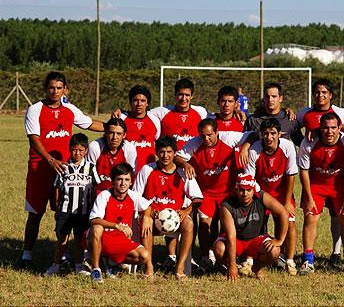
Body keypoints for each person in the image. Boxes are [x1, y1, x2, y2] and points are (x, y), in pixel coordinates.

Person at [20, 71, 104, 268]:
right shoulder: (35, 109)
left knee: (63, 210)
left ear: (66, 89)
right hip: (40, 168)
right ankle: (26, 254)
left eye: (59, 88)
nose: (55, 92)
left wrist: (113, 126)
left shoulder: (70, 109)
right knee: (35, 212)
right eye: (51, 88)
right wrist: (49, 160)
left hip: (65, 171)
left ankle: (62, 252)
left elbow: (90, 123)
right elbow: (33, 138)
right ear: (45, 89)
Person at [175, 118, 256, 270]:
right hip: (206, 193)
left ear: (217, 132)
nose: (206, 138)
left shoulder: (228, 138)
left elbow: (253, 134)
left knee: (227, 225)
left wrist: (244, 147)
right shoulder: (196, 142)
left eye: (210, 135)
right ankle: (206, 257)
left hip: (228, 192)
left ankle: (225, 256)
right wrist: (186, 163)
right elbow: (177, 156)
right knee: (205, 224)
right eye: (203, 135)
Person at [297, 79, 344, 267]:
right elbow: (304, 171)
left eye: (333, 128)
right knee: (310, 215)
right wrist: (308, 196)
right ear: (319, 128)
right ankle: (308, 260)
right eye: (325, 128)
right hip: (317, 184)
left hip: (339, 184)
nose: (329, 132)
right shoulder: (309, 139)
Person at [133, 136, 203, 279]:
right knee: (147, 222)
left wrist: (185, 211)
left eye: (169, 152)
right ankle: (149, 267)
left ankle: (180, 268)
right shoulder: (147, 169)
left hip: (175, 218)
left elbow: (198, 198)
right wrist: (148, 212)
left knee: (189, 223)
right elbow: (135, 197)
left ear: (175, 153)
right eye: (162, 152)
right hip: (153, 216)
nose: (165, 155)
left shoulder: (183, 172)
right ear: (156, 153)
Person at [244, 118, 298, 275]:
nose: (269, 137)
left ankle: (289, 260)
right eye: (266, 134)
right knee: (255, 225)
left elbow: (291, 175)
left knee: (289, 222)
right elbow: (250, 179)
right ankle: (250, 259)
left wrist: (287, 202)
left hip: (282, 193)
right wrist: (259, 198)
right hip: (262, 193)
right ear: (261, 135)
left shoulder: (288, 147)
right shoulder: (254, 150)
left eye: (273, 133)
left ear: (279, 134)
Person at [44, 133, 101, 276]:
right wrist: (56, 205)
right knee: (62, 238)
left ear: (86, 151)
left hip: (83, 210)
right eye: (75, 150)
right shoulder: (63, 167)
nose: (77, 153)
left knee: (79, 239)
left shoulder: (91, 167)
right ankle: (56, 265)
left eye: (81, 150)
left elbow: (95, 188)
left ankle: (78, 265)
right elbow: (57, 187)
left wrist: (94, 206)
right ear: (70, 149)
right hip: (65, 209)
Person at [213, 174, 288, 281]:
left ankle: (256, 267)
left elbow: (283, 213)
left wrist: (280, 239)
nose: (245, 194)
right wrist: (232, 265)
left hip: (256, 239)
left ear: (254, 190)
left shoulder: (262, 197)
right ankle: (231, 267)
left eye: (248, 190)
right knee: (219, 249)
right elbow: (231, 236)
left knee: (275, 250)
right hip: (236, 240)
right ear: (236, 190)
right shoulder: (227, 205)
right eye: (241, 190)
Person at [89, 162, 153, 282]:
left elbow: (147, 206)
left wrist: (146, 217)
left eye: (126, 180)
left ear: (131, 182)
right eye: (119, 179)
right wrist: (116, 226)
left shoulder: (133, 196)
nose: (123, 183)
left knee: (144, 256)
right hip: (103, 237)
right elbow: (94, 220)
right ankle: (96, 269)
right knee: (97, 228)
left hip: (121, 239)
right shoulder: (104, 195)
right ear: (113, 181)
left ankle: (112, 262)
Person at [148, 78, 208, 150]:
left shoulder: (201, 112)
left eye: (187, 95)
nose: (183, 98)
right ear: (175, 95)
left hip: (194, 159)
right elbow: (142, 115)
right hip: (170, 160)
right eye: (180, 94)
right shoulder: (162, 112)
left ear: (192, 96)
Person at [87, 118, 137, 195]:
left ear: (124, 135)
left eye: (119, 134)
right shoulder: (95, 146)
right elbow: (89, 173)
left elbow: (130, 176)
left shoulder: (129, 148)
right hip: (99, 190)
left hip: (120, 191)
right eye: (111, 133)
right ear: (106, 133)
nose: (114, 137)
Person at [244, 82, 303, 146]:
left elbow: (301, 143)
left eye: (274, 96)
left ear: (280, 98)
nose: (270, 100)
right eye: (267, 96)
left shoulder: (289, 119)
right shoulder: (253, 120)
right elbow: (244, 142)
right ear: (263, 98)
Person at [120, 85, 161, 173]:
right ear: (130, 102)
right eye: (135, 100)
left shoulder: (155, 120)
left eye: (142, 101)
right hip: (126, 173)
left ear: (147, 103)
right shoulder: (122, 118)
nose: (139, 104)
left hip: (148, 172)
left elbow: (158, 140)